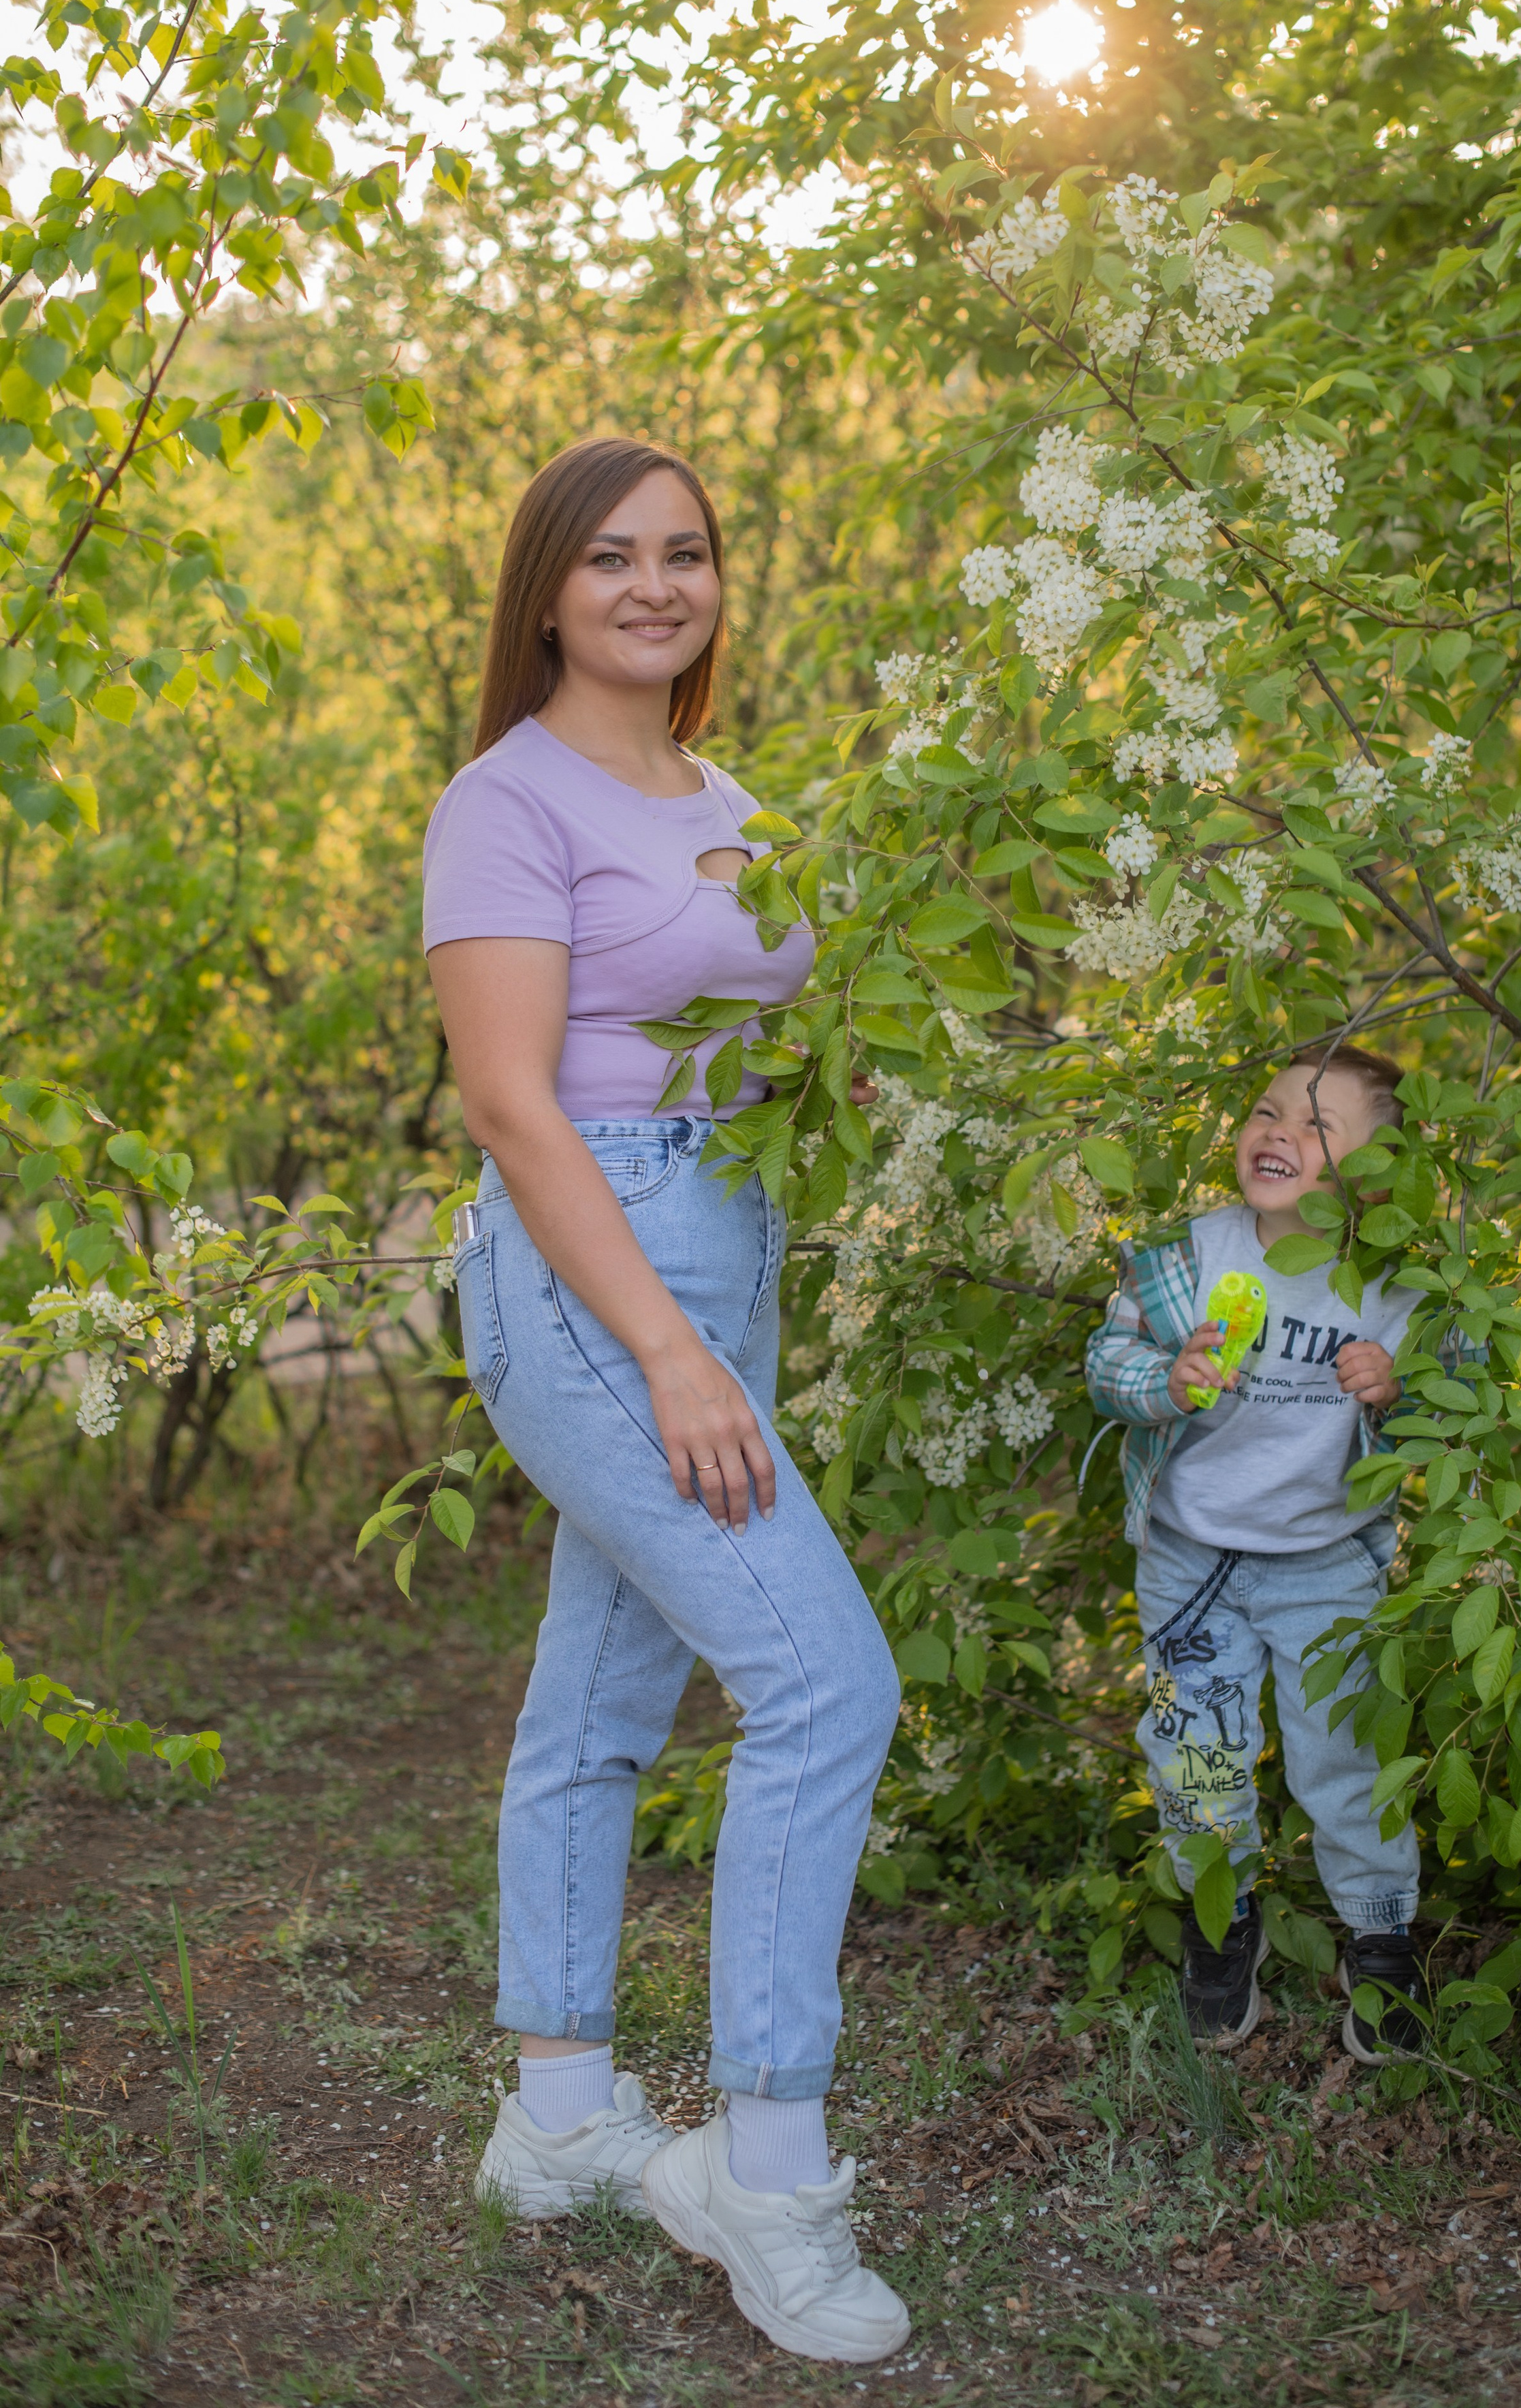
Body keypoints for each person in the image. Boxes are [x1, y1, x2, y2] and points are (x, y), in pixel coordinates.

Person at [422, 437, 908, 2366]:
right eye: (612, 557)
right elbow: (513, 1105)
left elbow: (754, 1035)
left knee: (606, 1691)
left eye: (687, 553)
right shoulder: (503, 801)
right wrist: (668, 1348)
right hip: (594, 1277)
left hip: (724, 1252)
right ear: (546, 589)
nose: (655, 584)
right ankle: (765, 2172)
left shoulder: (728, 792)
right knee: (824, 1683)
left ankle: (556, 2123)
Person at [1084, 1042, 1428, 2061]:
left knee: (1347, 1757)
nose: (1280, 1131)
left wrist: (1394, 1392)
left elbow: (1453, 1424)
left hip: (1327, 1560)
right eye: (1269, 1111)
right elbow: (1110, 1365)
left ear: (1370, 1173)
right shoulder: (1192, 1257)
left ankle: (1379, 1936)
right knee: (1194, 1754)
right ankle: (1221, 1920)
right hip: (1194, 1561)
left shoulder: (1393, 1290)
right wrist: (1167, 1379)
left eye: (1319, 1125)